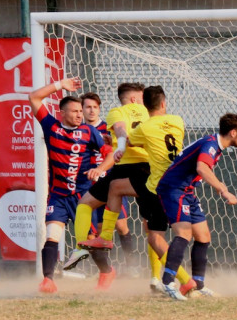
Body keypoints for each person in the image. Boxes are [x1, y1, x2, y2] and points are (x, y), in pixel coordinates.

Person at [79, 85, 196, 296]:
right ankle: (179, 279)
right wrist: (116, 141)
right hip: (164, 177)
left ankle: (100, 241)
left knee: (93, 199)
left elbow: (124, 133)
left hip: (135, 172)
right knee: (154, 235)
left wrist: (119, 144)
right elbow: (140, 138)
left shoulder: (120, 113)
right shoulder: (169, 120)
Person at [29, 77, 114, 293]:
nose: (80, 114)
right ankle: (48, 280)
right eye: (75, 111)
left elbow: (111, 155)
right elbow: (34, 97)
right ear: (63, 113)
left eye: (81, 111)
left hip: (82, 197)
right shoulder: (51, 126)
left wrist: (100, 169)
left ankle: (106, 272)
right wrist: (59, 86)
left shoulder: (89, 132)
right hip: (57, 195)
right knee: (51, 236)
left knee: (89, 241)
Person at [156, 113, 237, 300]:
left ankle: (198, 284)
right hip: (174, 189)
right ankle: (167, 282)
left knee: (203, 235)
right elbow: (202, 168)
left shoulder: (215, 144)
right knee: (183, 233)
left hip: (187, 191)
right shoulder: (211, 145)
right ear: (233, 132)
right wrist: (223, 189)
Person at [63, 92, 138, 275]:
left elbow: (120, 149)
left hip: (112, 183)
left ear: (99, 109)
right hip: (89, 186)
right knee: (94, 231)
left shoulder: (109, 128)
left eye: (94, 107)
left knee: (121, 225)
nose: (90, 111)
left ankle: (132, 265)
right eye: (87, 107)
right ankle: (104, 270)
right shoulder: (77, 130)